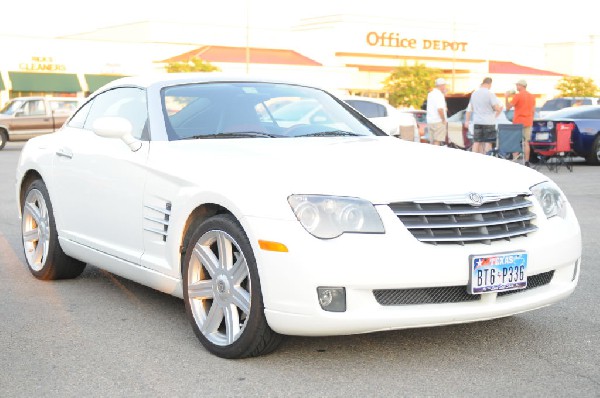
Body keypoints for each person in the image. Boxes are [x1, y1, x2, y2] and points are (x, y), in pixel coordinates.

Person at [465, 77, 502, 154]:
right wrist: (498, 109)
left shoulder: (474, 94)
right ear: (489, 84)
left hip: (477, 121)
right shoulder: (490, 94)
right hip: (488, 122)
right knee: (488, 142)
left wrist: (467, 121)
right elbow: (496, 107)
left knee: (477, 142)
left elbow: (470, 109)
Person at [505, 79, 536, 166]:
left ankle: (515, 161)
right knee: (526, 142)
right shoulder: (532, 96)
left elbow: (508, 108)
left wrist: (506, 97)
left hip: (518, 122)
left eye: (517, 85)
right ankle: (526, 161)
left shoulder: (518, 96)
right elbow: (533, 110)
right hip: (528, 121)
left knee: (515, 141)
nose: (516, 86)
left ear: (521, 86)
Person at [426, 78, 448, 146]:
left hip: (430, 121)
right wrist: (443, 120)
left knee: (432, 141)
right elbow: (440, 109)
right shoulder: (439, 95)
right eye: (444, 85)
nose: (445, 87)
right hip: (438, 121)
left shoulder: (430, 94)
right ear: (441, 86)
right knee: (437, 141)